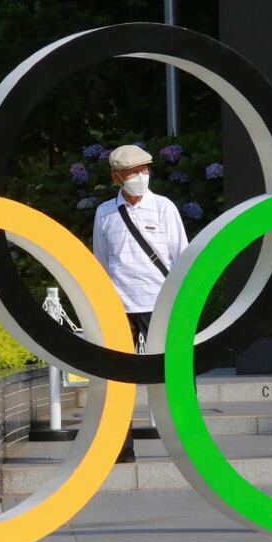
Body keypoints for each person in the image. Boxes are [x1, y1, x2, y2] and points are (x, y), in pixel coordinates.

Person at [92, 144, 188, 463]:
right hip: (118, 306)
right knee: (119, 378)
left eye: (145, 169)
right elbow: (101, 264)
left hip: (159, 302)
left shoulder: (163, 208)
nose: (141, 176)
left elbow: (181, 257)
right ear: (117, 177)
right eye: (134, 171)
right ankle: (122, 446)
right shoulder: (105, 213)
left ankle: (186, 439)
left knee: (171, 372)